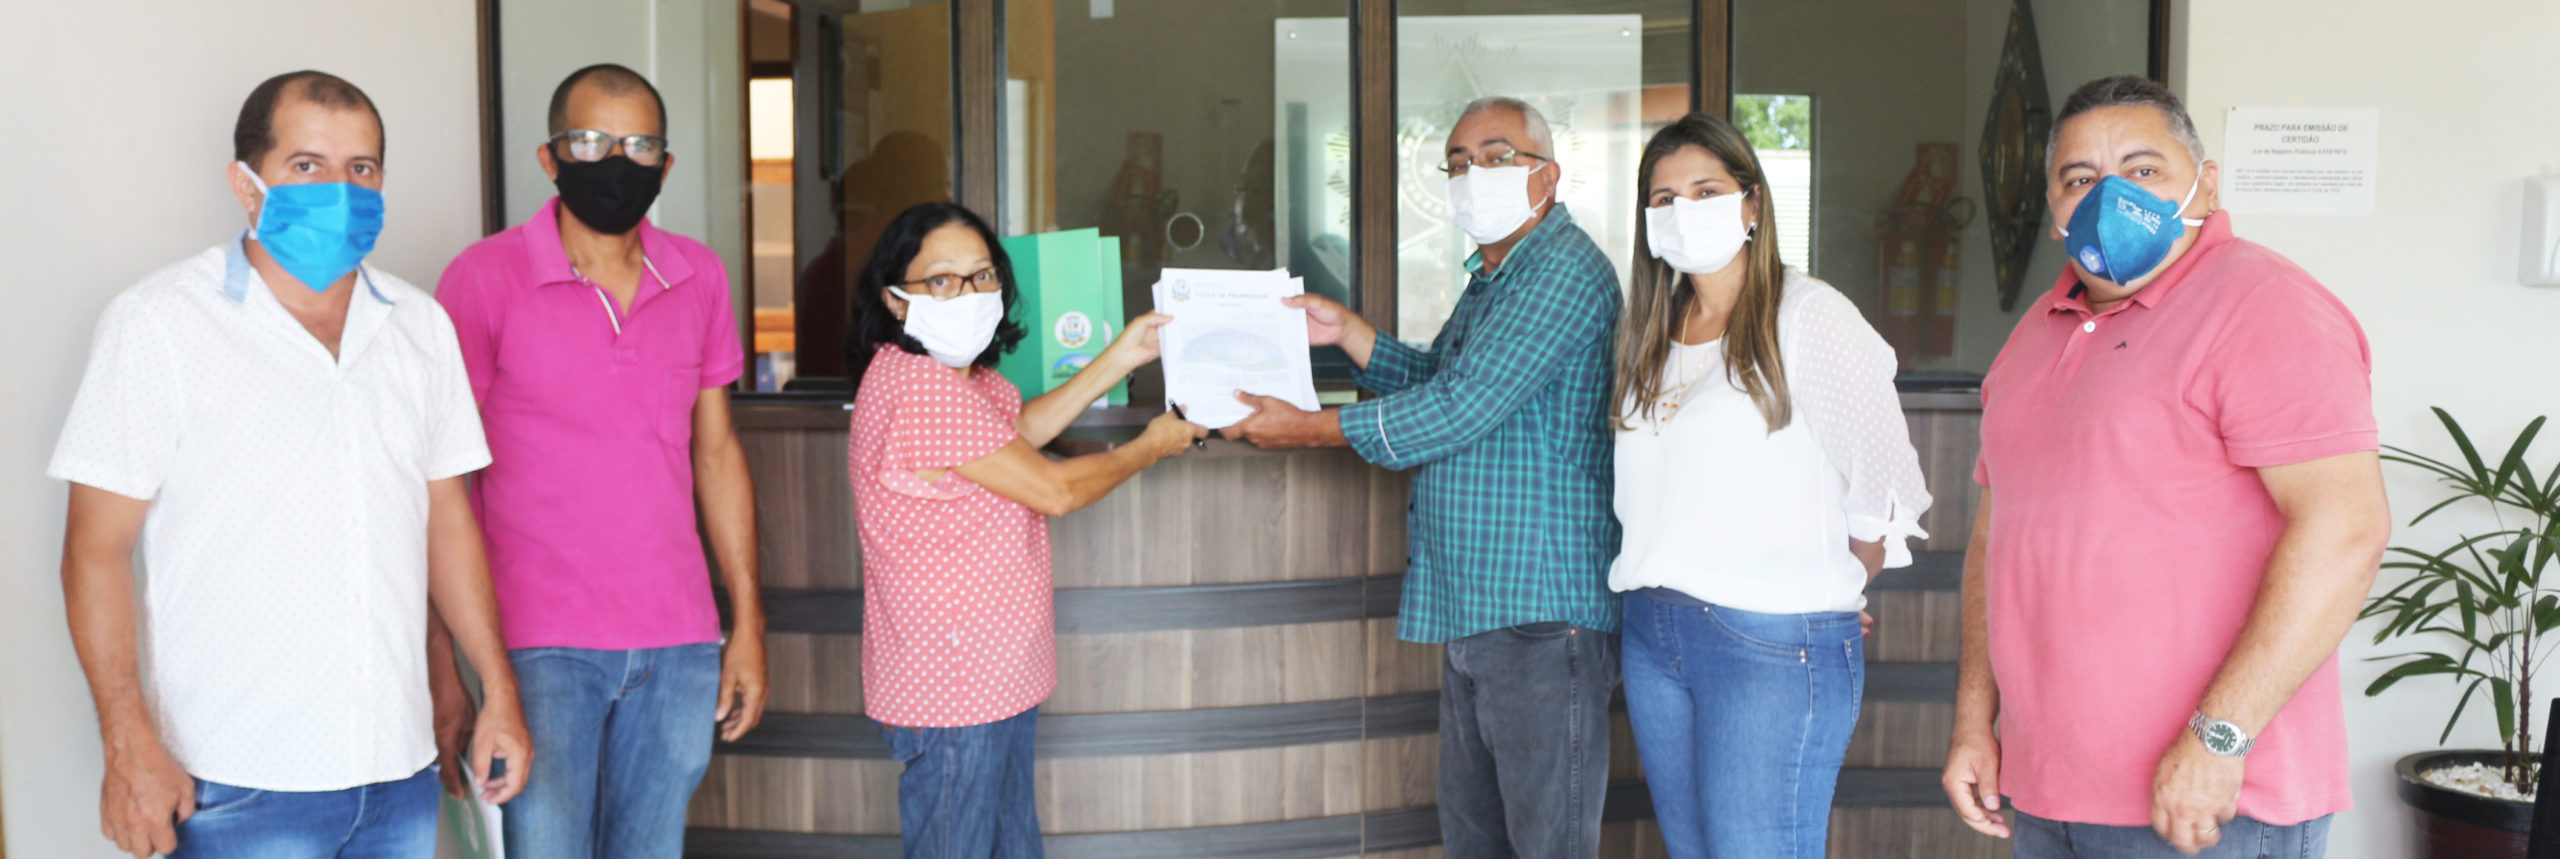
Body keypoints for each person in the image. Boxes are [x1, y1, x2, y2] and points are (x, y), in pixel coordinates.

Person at [49, 70, 531, 859]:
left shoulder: (420, 327)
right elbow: (94, 549)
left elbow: (446, 523)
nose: (339, 189)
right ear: (247, 184)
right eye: (306, 166)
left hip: (397, 769)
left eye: (360, 168)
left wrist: (497, 687)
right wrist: (126, 740)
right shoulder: (158, 325)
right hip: (231, 780)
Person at [1940, 75, 2390, 858]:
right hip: (2047, 793)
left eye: (2142, 169)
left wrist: (2219, 737)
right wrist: (1974, 720)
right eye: (2079, 177)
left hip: (2209, 803)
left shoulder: (2265, 306)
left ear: (2206, 184)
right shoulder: (2034, 334)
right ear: (2054, 208)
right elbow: (1995, 539)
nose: (2109, 194)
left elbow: (2346, 528)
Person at [1222, 96, 1623, 857]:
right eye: (1459, 163)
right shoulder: (1497, 275)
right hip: (1483, 602)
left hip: (1540, 612)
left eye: (1498, 156)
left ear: (1549, 175)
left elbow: (1459, 406)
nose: (1475, 175)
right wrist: (1351, 335)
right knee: (1476, 837)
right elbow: (1443, 378)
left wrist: (1309, 428)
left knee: (1547, 842)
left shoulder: (1562, 271)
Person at [430, 63, 768, 859]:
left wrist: (747, 622)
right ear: (549, 156)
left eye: (638, 145)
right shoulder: (482, 279)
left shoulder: (699, 274)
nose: (616, 161)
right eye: (589, 141)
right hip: (535, 646)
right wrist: (445, 668)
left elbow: (717, 452)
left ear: (666, 165)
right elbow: (440, 485)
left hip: (679, 642)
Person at [1610, 113, 1932, 858]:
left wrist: (1831, 586)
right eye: (1663, 199)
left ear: (1751, 203)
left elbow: (1887, 481)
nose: (1683, 211)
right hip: (1655, 630)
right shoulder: (1653, 327)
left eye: (1705, 190)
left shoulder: (1807, 314)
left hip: (1766, 642)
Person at [846, 202, 1206, 858]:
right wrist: (1150, 446)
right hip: (955, 689)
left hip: (991, 678)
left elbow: (1017, 434)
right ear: (896, 298)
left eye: (982, 276)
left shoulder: (957, 381)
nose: (968, 293)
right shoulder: (921, 388)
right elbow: (1054, 490)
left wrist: (1123, 355)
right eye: (942, 280)